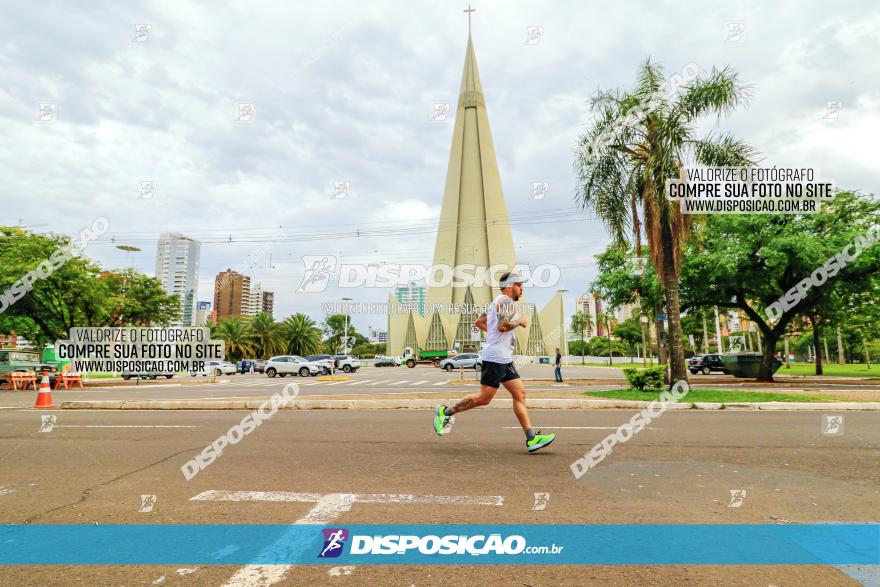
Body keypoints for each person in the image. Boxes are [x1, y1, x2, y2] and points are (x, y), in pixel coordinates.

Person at [432, 272, 556, 453]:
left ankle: (532, 439)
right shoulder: (506, 302)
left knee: (519, 394)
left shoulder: (495, 303)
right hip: (496, 358)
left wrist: (494, 336)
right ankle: (445, 412)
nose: (521, 289)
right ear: (510, 285)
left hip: (503, 358)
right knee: (484, 398)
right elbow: (503, 326)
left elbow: (480, 322)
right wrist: (518, 321)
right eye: (519, 285)